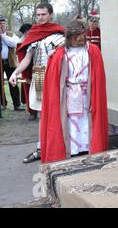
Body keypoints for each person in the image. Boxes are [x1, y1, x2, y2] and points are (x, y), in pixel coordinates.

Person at [40, 20, 108, 163]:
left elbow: (98, 77)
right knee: (70, 123)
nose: (80, 40)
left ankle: (87, 149)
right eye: (77, 37)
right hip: (68, 95)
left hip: (87, 95)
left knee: (85, 122)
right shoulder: (60, 53)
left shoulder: (93, 51)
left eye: (82, 36)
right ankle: (72, 151)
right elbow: (53, 79)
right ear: (70, 36)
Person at [9, 1, 65, 163]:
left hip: (56, 78)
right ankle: (42, 148)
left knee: (60, 112)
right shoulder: (34, 33)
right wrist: (15, 72)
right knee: (42, 115)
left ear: (51, 15)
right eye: (38, 15)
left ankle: (61, 147)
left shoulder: (59, 34)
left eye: (44, 14)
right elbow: (27, 59)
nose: (40, 18)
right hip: (39, 77)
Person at [0, 16, 24, 111]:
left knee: (13, 82)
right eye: (0, 24)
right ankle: (2, 103)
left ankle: (17, 104)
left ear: (6, 25)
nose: (1, 26)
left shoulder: (11, 34)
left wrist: (4, 37)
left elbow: (14, 44)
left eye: (3, 24)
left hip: (9, 61)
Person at [17, 23, 37, 120]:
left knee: (39, 89)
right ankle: (31, 111)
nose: (28, 33)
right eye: (26, 31)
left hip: (38, 67)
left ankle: (41, 110)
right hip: (27, 69)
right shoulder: (20, 43)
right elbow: (22, 59)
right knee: (28, 90)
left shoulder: (37, 40)